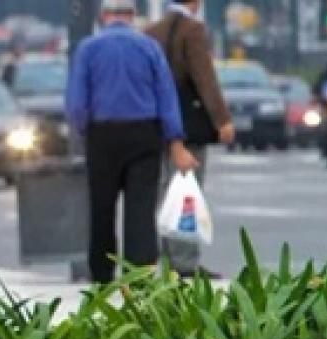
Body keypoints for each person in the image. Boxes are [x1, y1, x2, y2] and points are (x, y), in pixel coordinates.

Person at [66, 0, 200, 284]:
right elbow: (166, 96)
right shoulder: (149, 47)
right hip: (144, 134)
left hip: (102, 134)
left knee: (101, 207)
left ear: (103, 16)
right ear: (132, 15)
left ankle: (101, 271)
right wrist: (174, 137)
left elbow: (77, 102)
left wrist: (83, 130)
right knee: (141, 207)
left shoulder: (88, 49)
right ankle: (138, 271)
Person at [145, 0, 234, 279]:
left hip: (158, 120)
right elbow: (204, 77)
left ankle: (166, 256)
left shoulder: (152, 30)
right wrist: (222, 119)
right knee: (188, 192)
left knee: (163, 191)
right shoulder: (193, 30)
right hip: (189, 123)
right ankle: (185, 261)